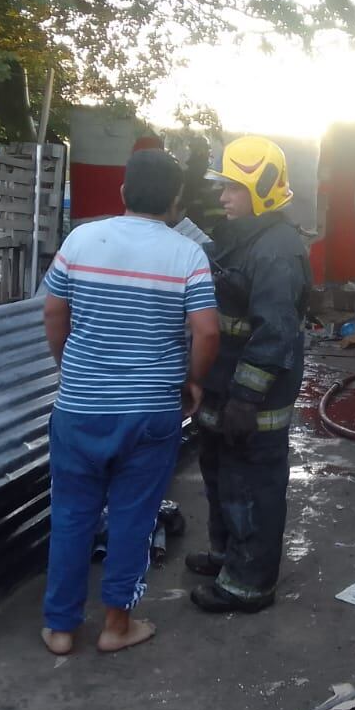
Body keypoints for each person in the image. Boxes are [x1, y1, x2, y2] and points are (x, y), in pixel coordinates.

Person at [40, 149, 220, 655]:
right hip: (150, 409)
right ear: (175, 200)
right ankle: (116, 625)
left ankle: (59, 627)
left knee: (72, 515)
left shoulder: (81, 239)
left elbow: (54, 312)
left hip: (79, 406)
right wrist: (194, 380)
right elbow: (206, 331)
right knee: (132, 519)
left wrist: (68, 366)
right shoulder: (186, 254)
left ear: (123, 192)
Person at [185, 135, 312, 613]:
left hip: (251, 401)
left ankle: (249, 584)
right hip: (224, 390)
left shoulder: (276, 251)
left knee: (252, 488)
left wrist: (243, 397)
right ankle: (226, 556)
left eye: (233, 188)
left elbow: (274, 334)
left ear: (260, 188)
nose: (223, 197)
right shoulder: (243, 239)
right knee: (220, 478)